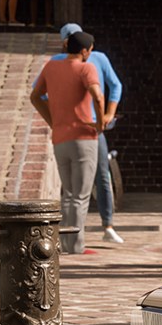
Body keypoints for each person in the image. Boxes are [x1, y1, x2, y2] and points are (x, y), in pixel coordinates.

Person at [29, 31, 105, 254]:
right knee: (81, 196)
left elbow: (35, 96)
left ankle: (64, 244)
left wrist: (53, 121)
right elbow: (98, 96)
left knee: (69, 194)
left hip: (60, 138)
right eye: (90, 50)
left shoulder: (51, 67)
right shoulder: (86, 68)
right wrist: (100, 123)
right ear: (84, 51)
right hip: (84, 137)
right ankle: (77, 246)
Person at [57, 23, 124, 243]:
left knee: (101, 174)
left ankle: (108, 224)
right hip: (69, 128)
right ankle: (71, 231)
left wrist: (108, 114)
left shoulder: (98, 59)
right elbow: (44, 94)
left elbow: (112, 87)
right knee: (71, 181)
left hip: (92, 127)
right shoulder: (57, 62)